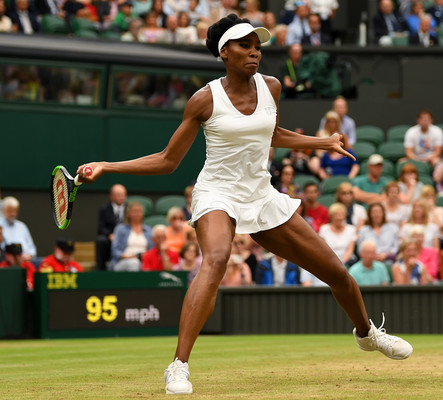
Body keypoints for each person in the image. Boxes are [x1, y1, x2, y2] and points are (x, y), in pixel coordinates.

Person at [77, 15, 413, 394]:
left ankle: (367, 334)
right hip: (217, 192)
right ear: (224, 52)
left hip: (262, 194)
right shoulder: (204, 99)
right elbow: (169, 160)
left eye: (257, 45)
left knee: (335, 272)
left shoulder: (271, 87)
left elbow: (273, 133)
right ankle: (178, 366)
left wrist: (321, 142)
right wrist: (107, 166)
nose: (254, 51)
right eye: (244, 44)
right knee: (217, 258)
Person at [96, 184, 128, 271]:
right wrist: (110, 235)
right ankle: (101, 269)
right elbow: (101, 228)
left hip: (127, 237)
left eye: (123, 195)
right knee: (101, 240)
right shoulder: (104, 209)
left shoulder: (129, 209)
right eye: (118, 195)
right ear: (111, 196)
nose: (121, 197)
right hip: (110, 239)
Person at [0, 196, 36, 262]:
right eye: (10, 211)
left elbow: (32, 249)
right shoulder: (0, 226)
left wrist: (28, 256)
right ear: (3, 210)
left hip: (26, 261)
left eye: (15, 211)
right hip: (7, 262)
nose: (13, 214)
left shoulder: (22, 226)